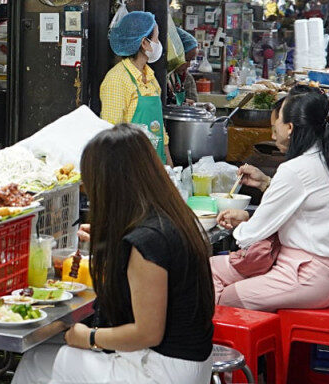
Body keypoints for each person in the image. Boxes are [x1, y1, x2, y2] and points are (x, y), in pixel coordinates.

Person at [13, 124, 214, 384]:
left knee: (39, 362)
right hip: (185, 364)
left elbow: (147, 333)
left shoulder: (148, 242)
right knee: (44, 355)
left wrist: (90, 338)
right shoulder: (172, 217)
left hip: (162, 371)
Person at [211, 90, 329, 311]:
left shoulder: (296, 169)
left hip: (306, 276)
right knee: (209, 270)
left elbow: (249, 236)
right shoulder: (328, 158)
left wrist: (244, 226)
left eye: (276, 124)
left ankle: (230, 344)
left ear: (290, 128)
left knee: (225, 298)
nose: (273, 135)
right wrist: (250, 220)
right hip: (319, 272)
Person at [100, 11, 172, 164]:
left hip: (156, 163)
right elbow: (111, 134)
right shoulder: (117, 79)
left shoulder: (151, 78)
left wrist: (168, 162)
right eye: (156, 38)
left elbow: (160, 130)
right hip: (131, 167)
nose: (159, 43)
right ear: (144, 43)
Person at [167, 28, 199, 106]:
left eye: (191, 60)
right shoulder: (160, 77)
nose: (189, 65)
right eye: (187, 60)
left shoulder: (186, 78)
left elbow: (193, 103)